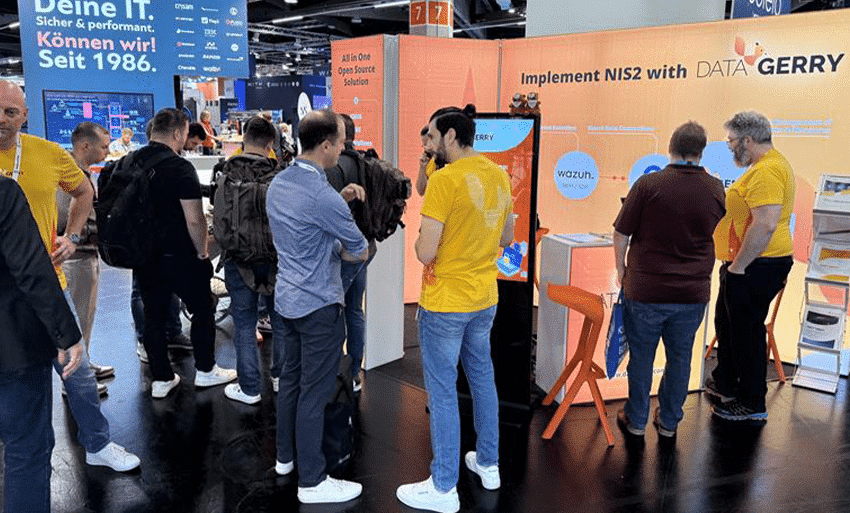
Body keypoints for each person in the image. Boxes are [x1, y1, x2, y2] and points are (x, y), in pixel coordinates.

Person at [0, 80, 140, 473]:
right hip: (3, 297)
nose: (2, 119)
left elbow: (83, 191)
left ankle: (98, 443)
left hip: (48, 287)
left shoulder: (47, 154)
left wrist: (73, 236)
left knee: (78, 373)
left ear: (24, 116)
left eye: (10, 112)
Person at [396, 104, 514, 513]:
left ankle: (444, 486)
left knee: (444, 391)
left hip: (446, 301)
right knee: (482, 379)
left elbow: (425, 251)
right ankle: (489, 463)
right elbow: (507, 237)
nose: (427, 143)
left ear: (449, 135)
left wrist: (421, 240)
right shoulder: (498, 174)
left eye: (431, 135)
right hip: (484, 298)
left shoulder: (446, 181)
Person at [268, 109, 368, 503]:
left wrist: (336, 207)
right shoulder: (323, 196)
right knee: (315, 392)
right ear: (325, 145)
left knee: (291, 383)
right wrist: (341, 244)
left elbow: (303, 226)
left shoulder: (279, 183)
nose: (344, 148)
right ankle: (312, 481)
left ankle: (285, 458)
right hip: (319, 307)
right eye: (341, 141)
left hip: (286, 302)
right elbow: (359, 250)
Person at [612, 121, 725, 440]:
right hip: (692, 292)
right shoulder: (716, 188)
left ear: (670, 147)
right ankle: (669, 423)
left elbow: (621, 233)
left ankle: (636, 420)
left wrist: (621, 270)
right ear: (701, 151)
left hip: (645, 289)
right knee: (680, 358)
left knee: (641, 358)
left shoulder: (648, 184)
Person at [133, 107, 236, 399]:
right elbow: (194, 219)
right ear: (178, 132)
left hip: (143, 255)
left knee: (153, 316)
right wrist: (203, 253)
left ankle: (162, 379)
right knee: (203, 309)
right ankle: (205, 370)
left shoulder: (130, 162)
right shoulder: (179, 167)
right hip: (179, 254)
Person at [0, 176, 84, 513]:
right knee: (26, 450)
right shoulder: (4, 193)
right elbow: (30, 268)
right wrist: (67, 333)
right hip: (12, 344)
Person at [707, 111, 795, 422]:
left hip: (756, 264)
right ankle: (729, 383)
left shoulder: (767, 171)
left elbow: (766, 224)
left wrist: (738, 267)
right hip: (750, 263)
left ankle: (752, 402)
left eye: (731, 141)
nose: (730, 147)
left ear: (747, 140)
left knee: (746, 332)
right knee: (729, 325)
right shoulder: (767, 165)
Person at [219, 116, 285, 405]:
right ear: (271, 143)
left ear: (243, 139)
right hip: (276, 261)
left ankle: (249, 389)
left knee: (245, 325)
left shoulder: (226, 173)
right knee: (280, 322)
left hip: (239, 259)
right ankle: (280, 378)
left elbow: (220, 221)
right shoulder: (281, 176)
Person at [57, 122, 114, 382]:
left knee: (85, 316)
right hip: (75, 257)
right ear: (85, 145)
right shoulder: (67, 175)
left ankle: (84, 365)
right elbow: (63, 216)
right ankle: (76, 380)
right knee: (77, 319)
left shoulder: (80, 173)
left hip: (86, 254)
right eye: (103, 147)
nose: (107, 151)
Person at [324, 113, 376, 392]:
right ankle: (354, 372)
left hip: (342, 251)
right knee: (355, 310)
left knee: (333, 312)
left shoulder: (334, 167)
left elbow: (327, 214)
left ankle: (335, 371)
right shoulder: (366, 162)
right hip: (365, 246)